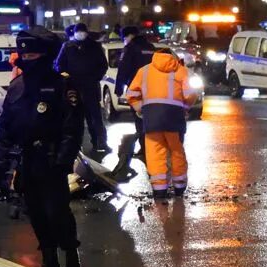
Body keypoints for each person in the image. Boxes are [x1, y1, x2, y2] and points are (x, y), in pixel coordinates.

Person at [1, 28, 84, 267]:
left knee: (57, 213)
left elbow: (72, 126)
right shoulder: (17, 86)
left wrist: (63, 158)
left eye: (34, 54)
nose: (28, 58)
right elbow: (6, 126)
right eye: (24, 54)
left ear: (46, 55)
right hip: (27, 159)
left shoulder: (62, 84)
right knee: (35, 213)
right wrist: (4, 160)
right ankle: (50, 264)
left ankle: (72, 263)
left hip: (51, 158)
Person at [126, 38, 192, 200]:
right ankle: (179, 186)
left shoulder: (144, 71)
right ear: (173, 57)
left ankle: (159, 189)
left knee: (155, 152)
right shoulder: (182, 70)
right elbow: (190, 94)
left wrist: (140, 109)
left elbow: (131, 94)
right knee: (176, 151)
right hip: (174, 117)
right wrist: (185, 107)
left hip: (151, 117)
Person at [109, 25, 157, 176]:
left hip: (137, 89)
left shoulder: (130, 48)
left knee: (139, 118)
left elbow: (123, 69)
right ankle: (154, 145)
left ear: (128, 36)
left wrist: (118, 89)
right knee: (152, 118)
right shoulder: (151, 47)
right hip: (154, 88)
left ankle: (144, 147)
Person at [58, 24, 110, 157]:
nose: (81, 34)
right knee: (74, 118)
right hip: (73, 88)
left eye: (83, 32)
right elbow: (59, 65)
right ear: (74, 33)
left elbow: (103, 65)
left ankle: (100, 143)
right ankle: (75, 146)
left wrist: (95, 78)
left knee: (95, 117)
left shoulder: (94, 46)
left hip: (90, 87)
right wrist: (66, 79)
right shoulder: (68, 46)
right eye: (79, 32)